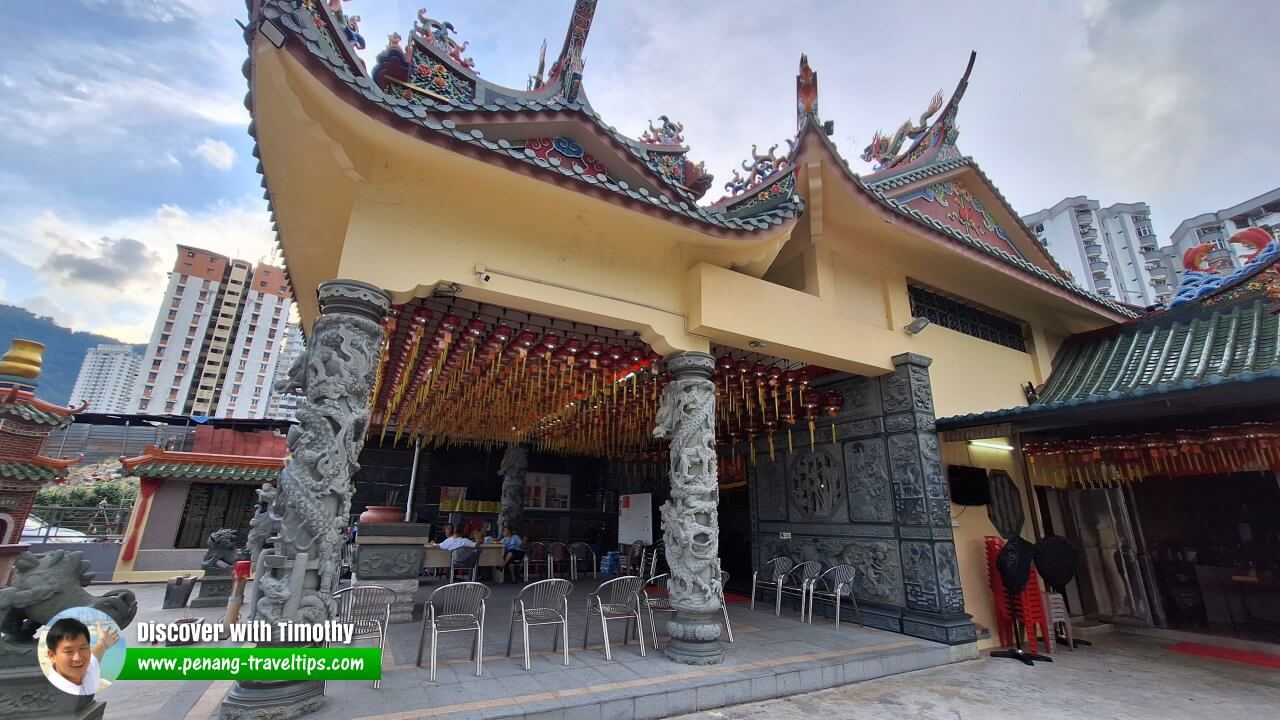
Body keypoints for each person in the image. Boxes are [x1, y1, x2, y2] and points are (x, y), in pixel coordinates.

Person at [45, 617, 118, 695]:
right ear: (52, 656)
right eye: (68, 651)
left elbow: (94, 656)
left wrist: (103, 642)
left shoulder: (87, 672)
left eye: (82, 648)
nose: (78, 658)